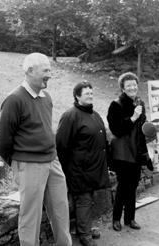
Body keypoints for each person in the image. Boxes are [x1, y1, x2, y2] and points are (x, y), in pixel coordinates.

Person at [0, 53, 72, 246]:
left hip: (52, 161)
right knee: (31, 218)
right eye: (46, 70)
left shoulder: (46, 97)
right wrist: (18, 164)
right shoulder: (14, 99)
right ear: (30, 71)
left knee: (61, 210)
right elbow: (3, 141)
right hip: (29, 164)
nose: (50, 75)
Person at [56, 82, 110, 246]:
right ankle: (84, 234)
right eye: (87, 93)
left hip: (94, 167)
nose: (90, 95)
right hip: (79, 169)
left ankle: (84, 228)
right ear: (77, 96)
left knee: (89, 199)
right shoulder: (70, 116)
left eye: (91, 93)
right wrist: (68, 170)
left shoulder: (94, 114)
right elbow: (62, 145)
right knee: (84, 200)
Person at [107, 72, 150, 231]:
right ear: (123, 88)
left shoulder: (140, 103)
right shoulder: (116, 105)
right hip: (123, 153)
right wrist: (133, 117)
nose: (132, 88)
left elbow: (143, 127)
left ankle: (130, 218)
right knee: (123, 186)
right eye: (129, 85)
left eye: (134, 85)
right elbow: (116, 130)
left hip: (136, 151)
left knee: (133, 186)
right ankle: (116, 219)